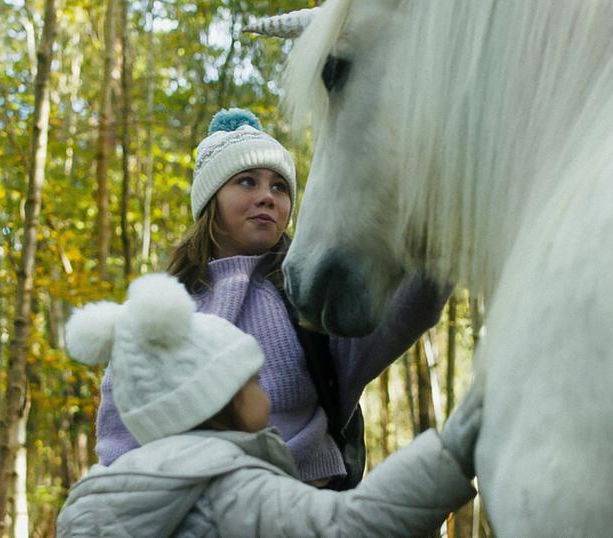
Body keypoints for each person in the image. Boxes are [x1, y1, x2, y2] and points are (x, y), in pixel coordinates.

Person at [94, 108, 453, 488]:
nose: (267, 196)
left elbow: (408, 309)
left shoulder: (309, 297)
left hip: (308, 510)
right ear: (210, 200)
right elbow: (120, 445)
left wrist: (448, 218)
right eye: (247, 182)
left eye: (279, 187)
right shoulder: (158, 311)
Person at [57, 273, 481, 537]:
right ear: (218, 399)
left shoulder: (96, 500)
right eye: (254, 381)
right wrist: (455, 450)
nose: (266, 391)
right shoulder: (228, 490)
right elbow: (350, 524)